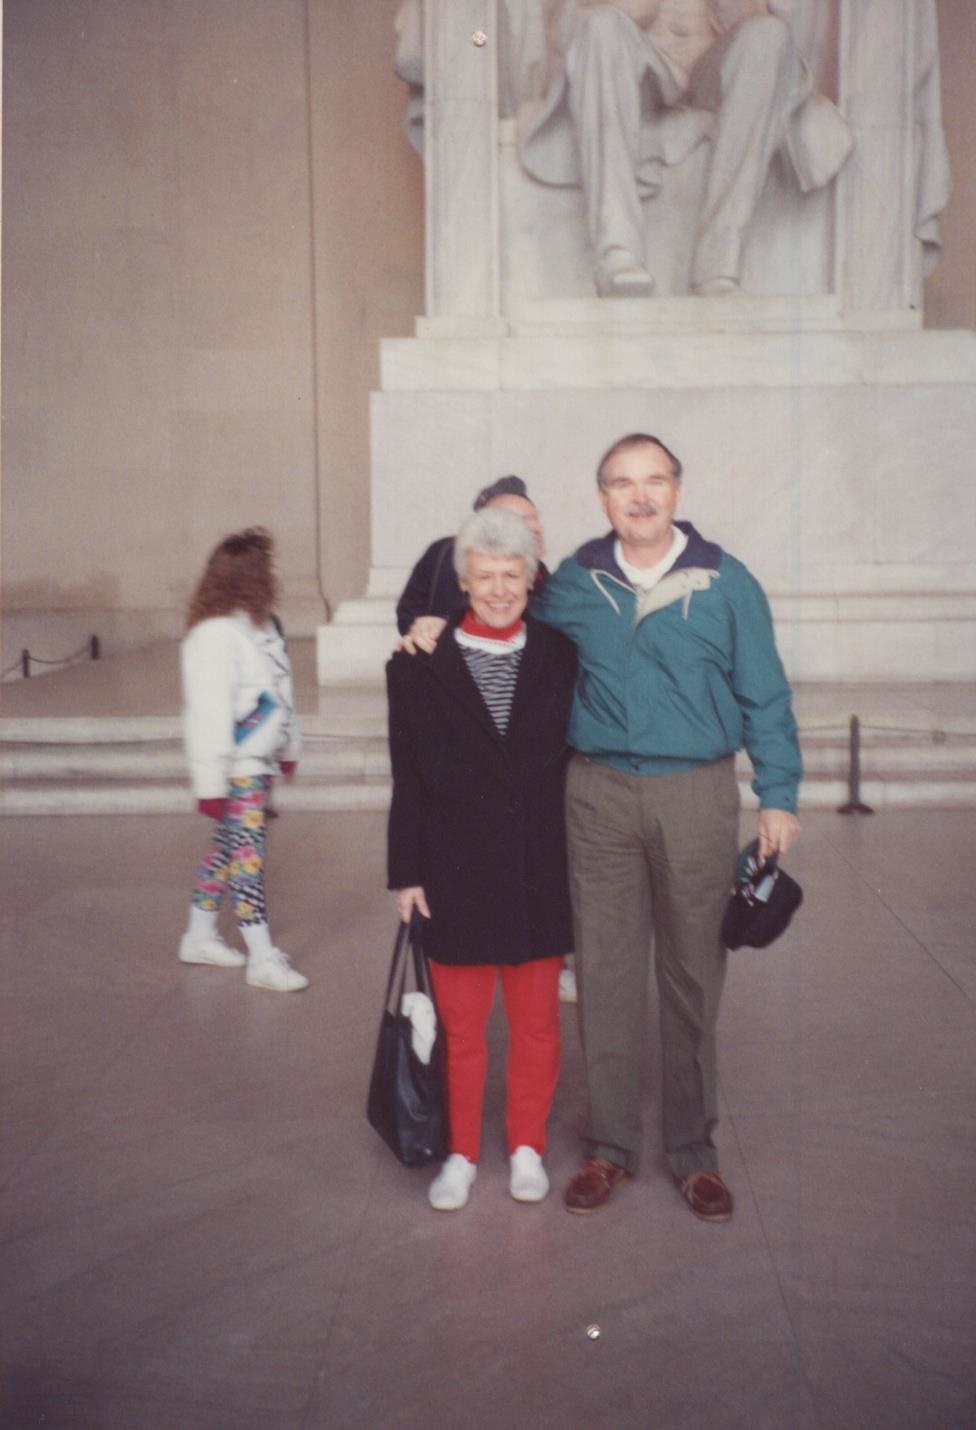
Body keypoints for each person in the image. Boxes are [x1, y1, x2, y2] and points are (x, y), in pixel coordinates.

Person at [531, 432, 801, 1220]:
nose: (640, 496)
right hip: (598, 795)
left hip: (695, 793)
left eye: (654, 481)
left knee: (693, 974)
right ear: (603, 498)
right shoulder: (576, 582)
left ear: (677, 491)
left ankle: (692, 1152)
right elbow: (499, 608)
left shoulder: (726, 583)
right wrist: (426, 621)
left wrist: (778, 794)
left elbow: (766, 694)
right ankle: (609, 1147)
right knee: (606, 974)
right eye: (623, 483)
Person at [387, 506, 578, 1210]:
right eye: (485, 576)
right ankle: (461, 1153)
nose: (499, 589)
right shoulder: (416, 664)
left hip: (538, 869)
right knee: (461, 1031)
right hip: (455, 871)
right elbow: (407, 775)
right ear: (463, 582)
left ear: (531, 579)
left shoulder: (562, 654)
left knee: (537, 1024)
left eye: (512, 575)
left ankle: (527, 1145)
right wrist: (405, 872)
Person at [515, 0, 853, 296]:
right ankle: (618, 252)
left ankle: (719, 263)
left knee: (769, 35)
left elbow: (748, 18)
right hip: (638, 66)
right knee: (600, 26)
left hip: (710, 70)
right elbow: (574, 27)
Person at [179, 527, 309, 993]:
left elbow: (282, 692)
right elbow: (208, 715)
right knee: (247, 859)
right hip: (238, 765)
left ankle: (198, 936)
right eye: (263, 568)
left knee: (227, 851)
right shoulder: (213, 635)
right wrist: (211, 785)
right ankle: (262, 958)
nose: (271, 575)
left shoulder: (264, 626)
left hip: (258, 761)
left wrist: (288, 747)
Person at [396, 476, 547, 654]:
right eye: (523, 520)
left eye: (535, 518)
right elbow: (409, 611)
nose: (537, 528)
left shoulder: (541, 572)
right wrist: (424, 633)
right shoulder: (444, 554)